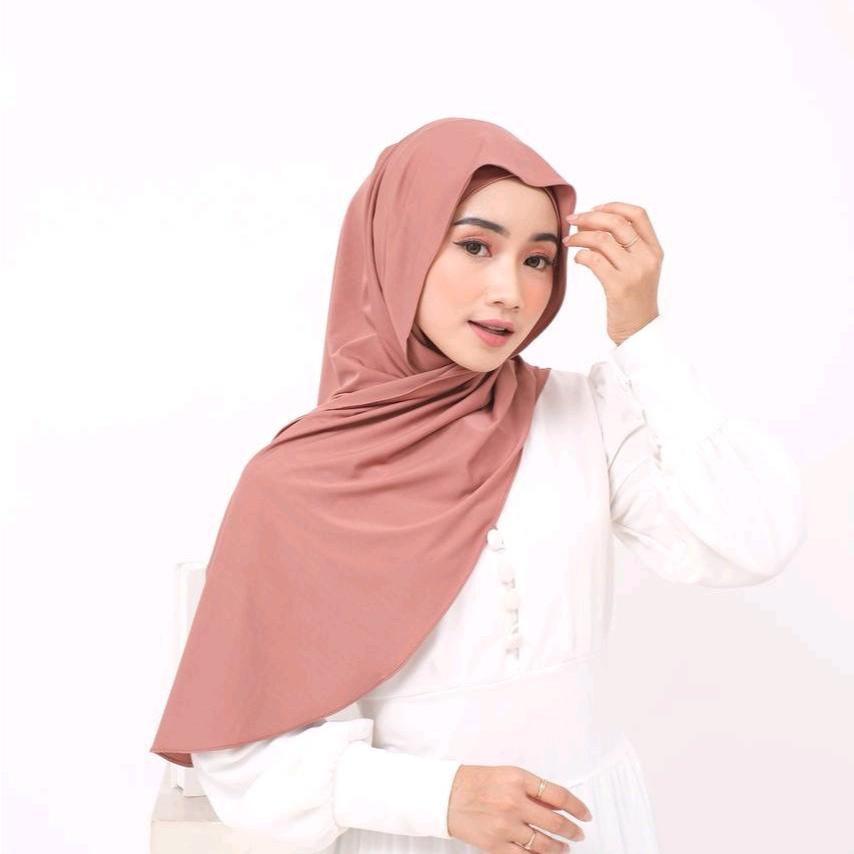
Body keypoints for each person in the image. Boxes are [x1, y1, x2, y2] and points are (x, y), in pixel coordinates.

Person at [149, 117, 806, 854]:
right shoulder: (295, 482)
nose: (511, 291)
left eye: (538, 259)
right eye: (474, 246)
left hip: (590, 828)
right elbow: (239, 759)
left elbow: (751, 542)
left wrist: (642, 337)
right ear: (398, 247)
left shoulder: (583, 414)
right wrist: (439, 797)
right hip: (411, 838)